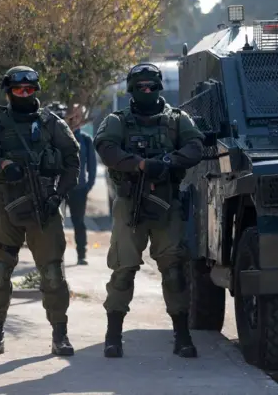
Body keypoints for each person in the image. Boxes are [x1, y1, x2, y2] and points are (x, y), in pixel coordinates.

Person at [0, 66, 80, 357]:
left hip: (45, 204)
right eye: (19, 90)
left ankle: (60, 334)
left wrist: (59, 194)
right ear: (9, 91)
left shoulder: (51, 123)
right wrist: (3, 167)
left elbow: (72, 159)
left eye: (30, 90)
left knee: (53, 273)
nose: (25, 94)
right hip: (6, 205)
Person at [93, 63, 204, 358]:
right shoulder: (118, 120)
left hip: (166, 204)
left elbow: (196, 146)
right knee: (123, 270)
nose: (146, 91)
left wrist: (168, 161)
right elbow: (105, 148)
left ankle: (182, 336)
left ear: (158, 88)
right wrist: (138, 164)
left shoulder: (177, 119)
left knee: (174, 270)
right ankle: (113, 336)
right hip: (130, 204)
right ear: (131, 89)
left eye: (151, 86)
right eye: (140, 87)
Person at [49, 102, 97, 265]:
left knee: (79, 222)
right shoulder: (56, 137)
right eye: (72, 115)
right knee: (55, 223)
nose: (75, 119)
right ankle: (55, 256)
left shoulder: (85, 140)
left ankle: (81, 253)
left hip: (78, 188)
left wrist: (88, 185)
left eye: (78, 116)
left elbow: (92, 165)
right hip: (58, 188)